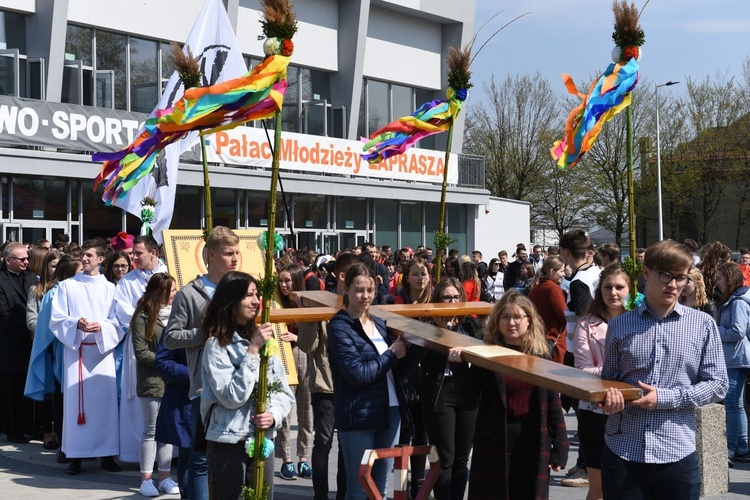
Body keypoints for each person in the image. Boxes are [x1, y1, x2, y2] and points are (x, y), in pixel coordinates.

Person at [600, 240, 729, 499]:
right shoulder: (619, 326)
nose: (673, 284)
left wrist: (664, 398)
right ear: (646, 273)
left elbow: (718, 384)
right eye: (665, 275)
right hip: (624, 448)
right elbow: (608, 382)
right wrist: (608, 401)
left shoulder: (702, 324)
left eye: (680, 277)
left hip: (677, 451)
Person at [448, 291, 569, 499]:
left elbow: (552, 403)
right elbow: (468, 400)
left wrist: (560, 444)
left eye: (517, 317)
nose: (511, 322)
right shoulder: (487, 354)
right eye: (505, 317)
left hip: (532, 439)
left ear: (528, 320)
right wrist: (458, 368)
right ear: (497, 321)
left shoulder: (540, 354)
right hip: (494, 439)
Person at [327, 263, 424, 500]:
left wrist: (419, 346)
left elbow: (399, 369)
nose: (365, 296)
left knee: (380, 489)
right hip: (359, 414)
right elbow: (357, 374)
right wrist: (391, 354)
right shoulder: (339, 327)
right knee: (360, 490)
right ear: (347, 289)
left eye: (369, 290)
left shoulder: (379, 322)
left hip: (390, 412)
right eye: (359, 290)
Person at [201, 271, 294, 499]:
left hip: (262, 438)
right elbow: (231, 397)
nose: (256, 301)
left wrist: (273, 415)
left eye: (257, 294)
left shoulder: (264, 341)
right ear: (231, 301)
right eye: (248, 295)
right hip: (228, 439)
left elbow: (284, 391)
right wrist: (252, 351)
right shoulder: (216, 346)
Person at [163, 226, 240, 500]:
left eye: (237, 252)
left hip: (239, 384)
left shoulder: (240, 289)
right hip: (203, 386)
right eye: (228, 253)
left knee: (235, 455)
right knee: (200, 458)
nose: (234, 258)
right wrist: (204, 333)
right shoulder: (189, 293)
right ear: (210, 254)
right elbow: (170, 338)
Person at [50, 239, 124, 475]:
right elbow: (57, 319)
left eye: (90, 255)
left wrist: (101, 327)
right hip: (77, 353)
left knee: (105, 406)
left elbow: (119, 322)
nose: (84, 258)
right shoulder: (67, 286)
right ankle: (75, 456)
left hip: (102, 354)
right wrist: (76, 324)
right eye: (83, 254)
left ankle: (107, 454)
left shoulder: (112, 289)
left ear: (101, 260)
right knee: (75, 407)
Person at [297, 252, 361, 500]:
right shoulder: (322, 301)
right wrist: (307, 315)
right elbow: (306, 345)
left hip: (354, 384)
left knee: (348, 446)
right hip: (325, 384)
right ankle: (320, 496)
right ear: (342, 276)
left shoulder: (362, 304)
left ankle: (344, 495)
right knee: (323, 443)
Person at [572, 264, 630, 499]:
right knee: (598, 489)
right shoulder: (586, 324)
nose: (613, 292)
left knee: (627, 486)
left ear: (629, 289)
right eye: (608, 287)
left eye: (619, 287)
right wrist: (620, 374)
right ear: (600, 290)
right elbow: (583, 369)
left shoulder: (639, 322)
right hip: (594, 410)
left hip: (631, 410)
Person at [113, 234, 170, 464]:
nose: (133, 257)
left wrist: (160, 316)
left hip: (167, 340)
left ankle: (169, 456)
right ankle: (135, 455)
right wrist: (147, 321)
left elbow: (176, 303)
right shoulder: (128, 281)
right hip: (140, 342)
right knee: (139, 401)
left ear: (153, 253)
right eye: (132, 253)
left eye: (138, 253)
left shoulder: (170, 272)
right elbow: (122, 310)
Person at [421, 278, 480, 500]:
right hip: (441, 390)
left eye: (456, 297)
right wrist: (442, 332)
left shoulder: (470, 325)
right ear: (438, 300)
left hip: (466, 391)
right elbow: (425, 362)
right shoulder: (428, 324)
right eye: (447, 297)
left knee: (462, 457)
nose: (452, 301)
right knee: (446, 456)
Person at [24, 255, 81, 463]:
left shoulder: (82, 290)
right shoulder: (53, 294)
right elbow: (47, 326)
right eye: (79, 271)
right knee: (63, 399)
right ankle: (64, 445)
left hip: (83, 353)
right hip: (63, 354)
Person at [131, 273, 180, 496]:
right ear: (160, 292)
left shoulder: (177, 315)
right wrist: (166, 364)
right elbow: (141, 353)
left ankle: (166, 477)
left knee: (168, 430)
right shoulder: (143, 316)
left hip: (173, 380)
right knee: (151, 430)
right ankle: (146, 480)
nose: (175, 294)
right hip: (152, 380)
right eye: (171, 290)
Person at [274, 264, 314, 480]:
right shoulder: (276, 300)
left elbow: (317, 336)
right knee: (284, 410)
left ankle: (303, 458)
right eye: (281, 280)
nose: (284, 285)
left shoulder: (307, 301)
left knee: (306, 411)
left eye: (288, 280)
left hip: (303, 354)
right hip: (282, 356)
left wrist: (298, 338)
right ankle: (286, 460)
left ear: (297, 281)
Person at [0, 242, 39, 444]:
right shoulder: (1, 279)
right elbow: (4, 314)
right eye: (21, 259)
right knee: (11, 390)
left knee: (28, 389)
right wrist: (29, 330)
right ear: (8, 260)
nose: (26, 261)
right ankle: (13, 430)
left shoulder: (31, 276)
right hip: (11, 345)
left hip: (31, 343)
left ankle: (29, 426)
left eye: (26, 258)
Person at [714, 261, 750, 465]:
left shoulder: (738, 302)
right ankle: (742, 448)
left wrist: (715, 330)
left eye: (720, 278)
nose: (717, 282)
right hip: (736, 357)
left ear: (730, 278)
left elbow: (738, 331)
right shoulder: (735, 299)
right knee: (736, 405)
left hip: (737, 358)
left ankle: (731, 449)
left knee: (732, 405)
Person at [25, 248, 61, 449]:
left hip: (63, 347)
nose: (56, 269)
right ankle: (48, 432)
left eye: (59, 265)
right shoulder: (36, 290)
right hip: (45, 347)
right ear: (46, 266)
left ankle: (62, 432)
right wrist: (52, 327)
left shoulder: (68, 288)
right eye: (53, 265)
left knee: (63, 392)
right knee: (47, 393)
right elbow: (31, 319)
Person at [154, 322, 192, 499]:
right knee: (189, 457)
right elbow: (163, 363)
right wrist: (195, 374)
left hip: (220, 403)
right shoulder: (176, 327)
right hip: (186, 402)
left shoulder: (222, 321)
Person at [529, 256, 568, 364]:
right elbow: (564, 316)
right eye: (561, 271)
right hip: (553, 339)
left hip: (538, 337)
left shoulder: (535, 289)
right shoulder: (553, 289)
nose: (563, 274)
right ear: (551, 272)